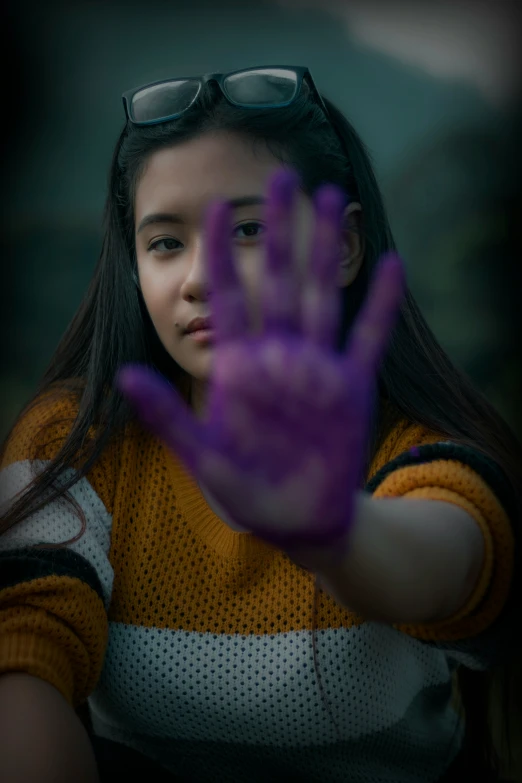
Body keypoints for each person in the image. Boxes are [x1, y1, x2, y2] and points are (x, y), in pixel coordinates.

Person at [0, 66, 519, 783]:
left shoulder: (424, 449)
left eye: (246, 229)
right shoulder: (75, 439)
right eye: (164, 242)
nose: (198, 277)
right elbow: (24, 658)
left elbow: (446, 563)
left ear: (342, 245)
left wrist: (334, 533)